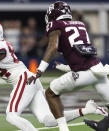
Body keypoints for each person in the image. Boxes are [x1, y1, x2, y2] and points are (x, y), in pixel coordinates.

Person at [27, 1, 109, 131]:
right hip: (99, 70)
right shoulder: (80, 24)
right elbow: (82, 54)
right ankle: (104, 125)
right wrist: (66, 67)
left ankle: (63, 128)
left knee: (50, 93)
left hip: (83, 74)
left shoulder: (55, 25)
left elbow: (52, 48)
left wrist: (40, 70)